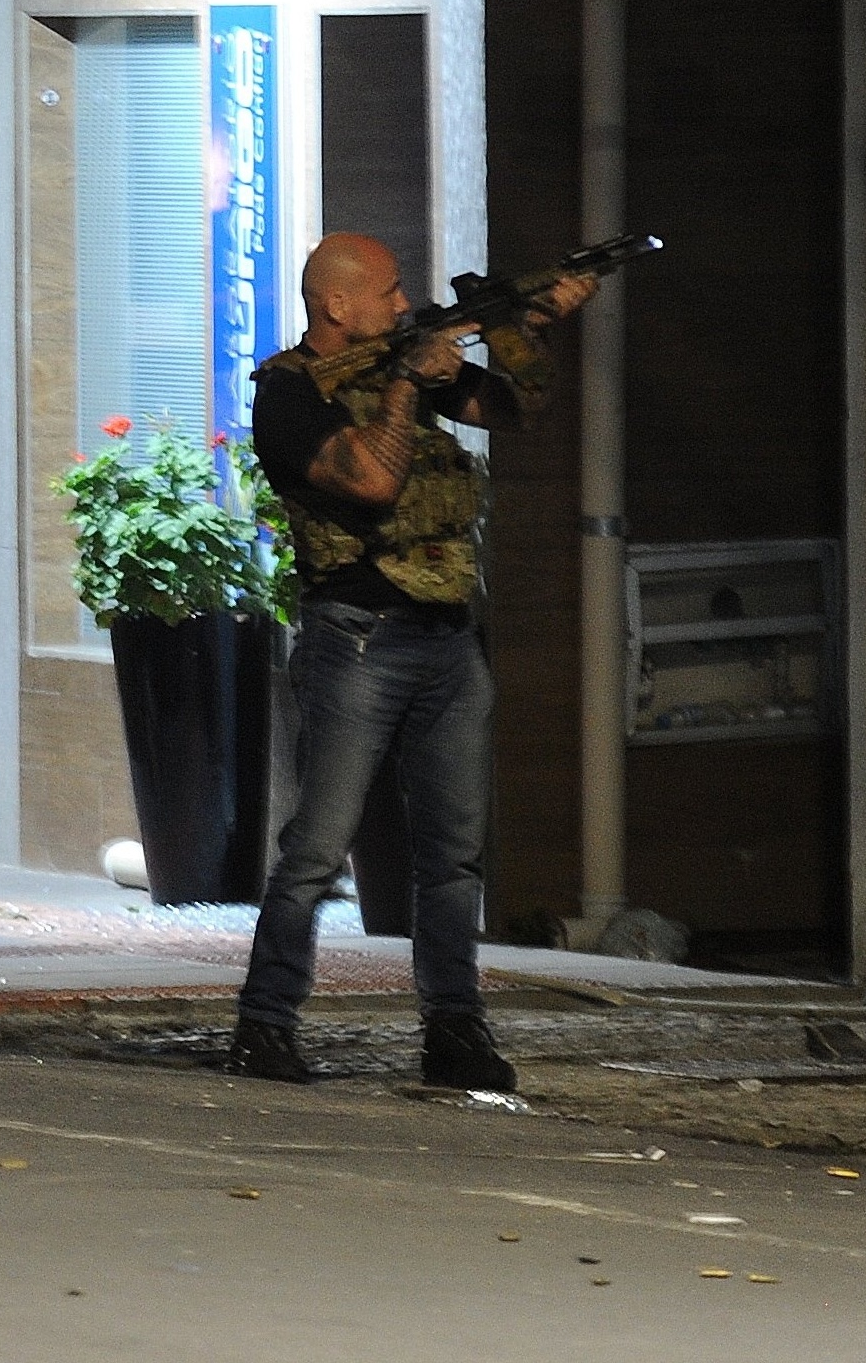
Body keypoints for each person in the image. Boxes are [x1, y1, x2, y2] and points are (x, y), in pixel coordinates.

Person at [228, 233, 594, 1090]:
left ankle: (454, 1029)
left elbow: (517, 408)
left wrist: (521, 327)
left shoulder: (407, 362)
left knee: (454, 854)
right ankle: (265, 1021)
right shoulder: (287, 393)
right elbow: (371, 484)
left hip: (445, 635)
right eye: (388, 294)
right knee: (317, 848)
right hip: (357, 635)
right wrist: (405, 379)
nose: (403, 306)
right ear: (337, 306)